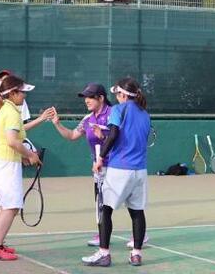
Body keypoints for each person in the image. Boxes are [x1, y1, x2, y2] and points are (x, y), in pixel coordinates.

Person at [82, 77, 150, 267]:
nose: (116, 98)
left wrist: (100, 157)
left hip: (120, 169)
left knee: (105, 211)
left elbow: (113, 134)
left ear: (122, 94)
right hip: (140, 171)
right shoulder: (145, 113)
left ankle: (104, 254)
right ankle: (136, 254)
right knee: (137, 212)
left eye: (117, 94)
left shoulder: (118, 110)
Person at [0, 75, 42, 261]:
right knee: (11, 208)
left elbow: (13, 140)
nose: (24, 96)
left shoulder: (6, 108)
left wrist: (23, 156)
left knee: (4, 207)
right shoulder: (10, 112)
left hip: (0, 163)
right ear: (13, 93)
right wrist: (31, 155)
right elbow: (11, 141)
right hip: (4, 165)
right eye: (22, 92)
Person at [51, 83, 111, 247]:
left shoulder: (114, 114)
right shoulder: (87, 119)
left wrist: (103, 136)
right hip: (98, 168)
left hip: (117, 165)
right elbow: (71, 135)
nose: (86, 100)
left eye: (90, 97)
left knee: (125, 200)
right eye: (85, 97)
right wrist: (57, 123)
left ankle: (139, 235)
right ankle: (102, 234)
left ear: (101, 98)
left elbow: (122, 140)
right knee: (100, 202)